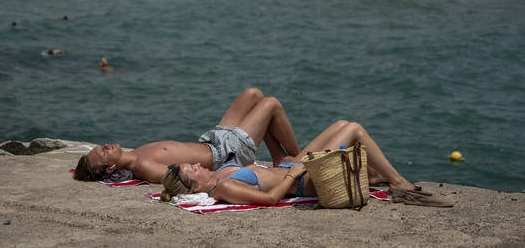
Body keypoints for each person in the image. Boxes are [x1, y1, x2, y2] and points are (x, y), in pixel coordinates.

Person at [161, 120, 455, 207]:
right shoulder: (223, 188)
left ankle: (375, 178)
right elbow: (271, 198)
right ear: (195, 185)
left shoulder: (221, 172)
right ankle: (399, 184)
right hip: (304, 179)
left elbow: (265, 175)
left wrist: (287, 163)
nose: (197, 165)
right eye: (193, 170)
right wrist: (296, 172)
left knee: (341, 123)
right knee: (355, 130)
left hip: (294, 167)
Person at [73, 88, 300, 183]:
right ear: (110, 168)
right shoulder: (143, 165)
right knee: (271, 104)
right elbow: (181, 179)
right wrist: (226, 175)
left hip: (213, 139)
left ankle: (278, 157)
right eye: (103, 153)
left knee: (253, 95)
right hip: (226, 153)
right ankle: (302, 159)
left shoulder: (136, 155)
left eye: (101, 146)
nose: (105, 146)